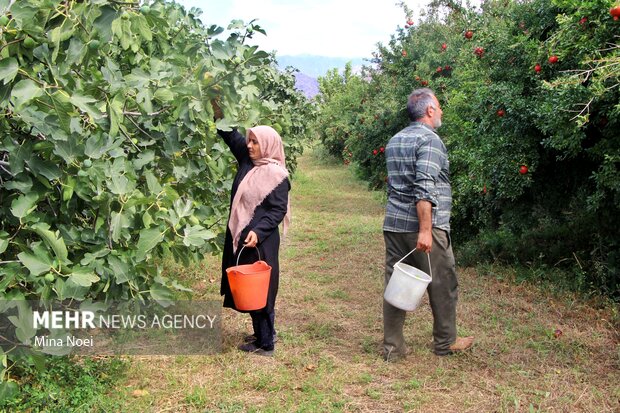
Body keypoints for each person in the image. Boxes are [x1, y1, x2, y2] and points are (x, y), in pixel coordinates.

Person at [382, 88, 474, 360]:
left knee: (395, 285)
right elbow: (424, 187)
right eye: (439, 107)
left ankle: (392, 348)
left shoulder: (395, 140)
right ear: (429, 110)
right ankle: (446, 343)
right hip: (424, 226)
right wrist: (425, 230)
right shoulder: (430, 140)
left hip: (395, 224)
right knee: (443, 283)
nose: (442, 111)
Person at [216, 112, 291, 357]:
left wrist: (258, 233)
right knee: (249, 288)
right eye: (249, 140)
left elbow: (277, 210)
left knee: (261, 290)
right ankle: (262, 333)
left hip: (261, 243)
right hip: (242, 238)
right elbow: (230, 134)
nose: (249, 145)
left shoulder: (277, 176)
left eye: (255, 142)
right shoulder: (248, 162)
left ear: (268, 145)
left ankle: (266, 343)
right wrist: (216, 106)